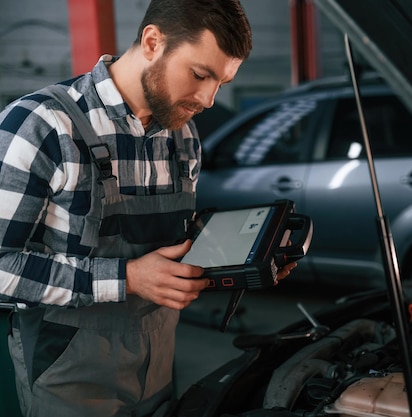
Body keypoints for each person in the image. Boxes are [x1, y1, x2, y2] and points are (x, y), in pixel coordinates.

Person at [0, 1, 295, 416]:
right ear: (153, 42)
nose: (209, 99)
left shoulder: (182, 136)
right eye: (200, 74)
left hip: (157, 368)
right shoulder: (41, 126)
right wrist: (127, 278)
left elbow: (166, 254)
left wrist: (238, 264)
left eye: (221, 83)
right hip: (68, 377)